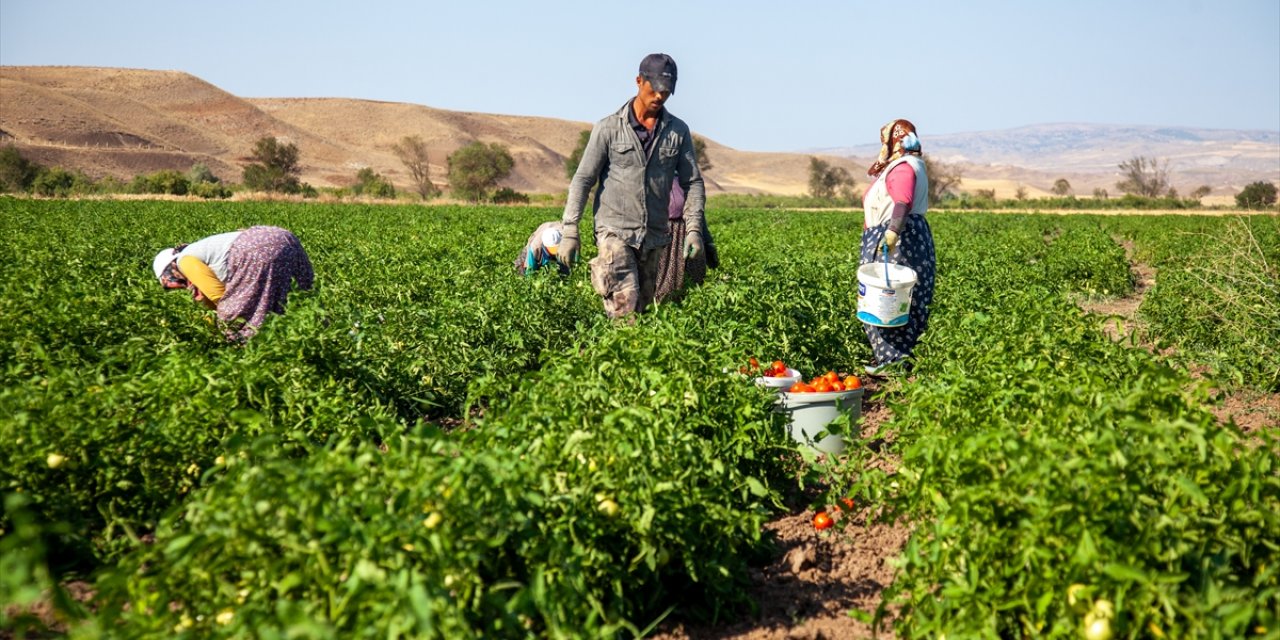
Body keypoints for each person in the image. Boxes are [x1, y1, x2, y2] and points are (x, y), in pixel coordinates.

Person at [558, 52, 706, 318]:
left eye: (667, 91)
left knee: (645, 311)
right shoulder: (609, 128)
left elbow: (692, 182)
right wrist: (570, 230)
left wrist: (694, 229)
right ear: (639, 81)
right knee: (625, 310)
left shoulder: (677, 131)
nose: (660, 96)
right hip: (614, 231)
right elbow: (583, 180)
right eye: (655, 89)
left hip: (654, 236)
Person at [859, 119, 936, 375]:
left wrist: (892, 232)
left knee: (886, 298)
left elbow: (902, 201)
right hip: (911, 236)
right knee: (903, 298)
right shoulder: (912, 163)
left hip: (899, 239)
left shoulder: (902, 166)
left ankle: (893, 362)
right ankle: (902, 361)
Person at [152, 225, 314, 341]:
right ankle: (315, 337)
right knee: (300, 300)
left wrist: (215, 323)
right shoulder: (200, 248)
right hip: (285, 238)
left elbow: (219, 295)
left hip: (254, 250)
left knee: (238, 322)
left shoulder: (184, 261)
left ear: (169, 270)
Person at [655, 177, 718, 303]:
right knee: (662, 288)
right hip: (660, 233)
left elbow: (699, 216)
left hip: (687, 231)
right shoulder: (649, 174)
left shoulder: (685, 177)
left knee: (693, 284)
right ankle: (658, 317)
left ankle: (688, 313)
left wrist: (708, 241)